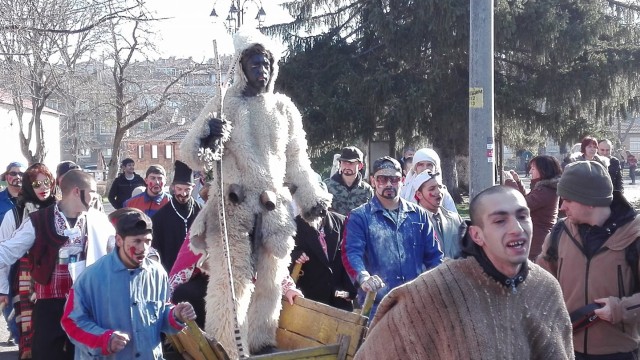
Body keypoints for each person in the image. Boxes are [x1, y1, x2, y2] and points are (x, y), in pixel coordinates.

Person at [180, 28, 331, 356]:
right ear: (241, 66)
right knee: (229, 285)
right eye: (254, 63)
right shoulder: (223, 102)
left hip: (274, 210)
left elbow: (297, 159)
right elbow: (192, 154)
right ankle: (226, 346)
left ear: (273, 68)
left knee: (271, 284)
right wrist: (210, 137)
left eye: (266, 63)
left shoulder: (284, 109)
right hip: (232, 209)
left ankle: (261, 342)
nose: (260, 69)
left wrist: (310, 197)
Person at [355, 185, 574, 359]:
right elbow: (376, 352)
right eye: (500, 221)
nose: (517, 228)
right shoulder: (438, 290)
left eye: (523, 216)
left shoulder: (545, 288)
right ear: (477, 235)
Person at [0, 170, 114, 360]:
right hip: (49, 305)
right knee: (46, 353)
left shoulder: (96, 219)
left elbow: (117, 247)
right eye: (93, 191)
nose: (96, 197)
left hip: (84, 302)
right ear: (77, 192)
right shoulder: (39, 220)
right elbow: (6, 251)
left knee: (81, 353)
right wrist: (2, 286)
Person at [537, 161, 640, 359]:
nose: (562, 206)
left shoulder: (635, 237)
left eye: (567, 199)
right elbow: (539, 283)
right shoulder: (559, 233)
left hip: (620, 353)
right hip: (565, 349)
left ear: (590, 200)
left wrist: (620, 309)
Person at [61, 208, 196, 359]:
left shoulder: (158, 273)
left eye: (147, 241)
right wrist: (104, 340)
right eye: (137, 241)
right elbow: (71, 322)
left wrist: (175, 314)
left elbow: (160, 312)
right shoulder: (90, 278)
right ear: (119, 240)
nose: (143, 248)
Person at [344, 156, 443, 318]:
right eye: (382, 179)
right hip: (377, 308)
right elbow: (351, 253)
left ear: (402, 180)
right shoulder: (359, 217)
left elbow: (435, 257)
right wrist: (363, 278)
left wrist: (436, 286)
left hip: (416, 305)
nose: (389, 184)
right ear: (373, 181)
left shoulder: (419, 216)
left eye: (394, 179)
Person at [0, 163, 57, 358]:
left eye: (46, 182)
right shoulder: (14, 214)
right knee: (26, 336)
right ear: (28, 186)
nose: (43, 188)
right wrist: (2, 290)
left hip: (54, 283)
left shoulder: (60, 211)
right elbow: (4, 254)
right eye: (36, 184)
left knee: (52, 337)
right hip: (23, 283)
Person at [290, 208, 356, 311]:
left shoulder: (342, 222)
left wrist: (351, 286)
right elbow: (281, 253)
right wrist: (295, 254)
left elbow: (354, 253)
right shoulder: (294, 225)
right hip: (309, 297)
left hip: (339, 298)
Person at [503, 155, 562, 260]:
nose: (530, 171)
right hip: (537, 240)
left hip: (538, 243)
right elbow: (528, 199)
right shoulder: (544, 188)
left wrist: (510, 182)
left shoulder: (546, 191)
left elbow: (521, 205)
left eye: (533, 168)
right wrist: (518, 182)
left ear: (543, 170)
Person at [151, 160, 202, 271]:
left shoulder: (201, 211)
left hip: (197, 272)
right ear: (173, 188)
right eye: (179, 189)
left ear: (193, 188)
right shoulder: (159, 218)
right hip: (170, 270)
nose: (183, 194)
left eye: (187, 189)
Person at [411, 171, 463, 259]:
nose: (438, 192)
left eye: (440, 187)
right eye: (432, 189)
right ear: (419, 194)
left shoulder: (455, 219)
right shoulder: (412, 223)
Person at [0, 161, 24, 344]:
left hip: (27, 266)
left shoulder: (33, 200)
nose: (17, 177)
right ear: (6, 176)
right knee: (11, 314)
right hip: (4, 266)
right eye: (13, 173)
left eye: (22, 174)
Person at [400, 147, 458, 214]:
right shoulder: (405, 191)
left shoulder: (442, 192)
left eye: (429, 165)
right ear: (415, 168)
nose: (425, 168)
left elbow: (454, 219)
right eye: (421, 165)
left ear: (435, 168)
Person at [325, 146, 373, 216]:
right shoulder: (327, 186)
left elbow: (371, 215)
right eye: (344, 162)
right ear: (340, 164)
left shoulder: (367, 190)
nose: (347, 166)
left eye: (351, 163)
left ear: (360, 166)